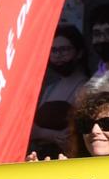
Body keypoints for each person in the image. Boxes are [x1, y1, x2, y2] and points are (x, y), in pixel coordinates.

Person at [31, 25, 90, 157]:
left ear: (79, 52)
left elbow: (71, 135)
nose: (58, 55)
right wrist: (52, 135)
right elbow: (31, 129)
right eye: (53, 50)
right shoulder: (50, 89)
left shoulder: (88, 87)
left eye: (64, 50)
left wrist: (42, 133)